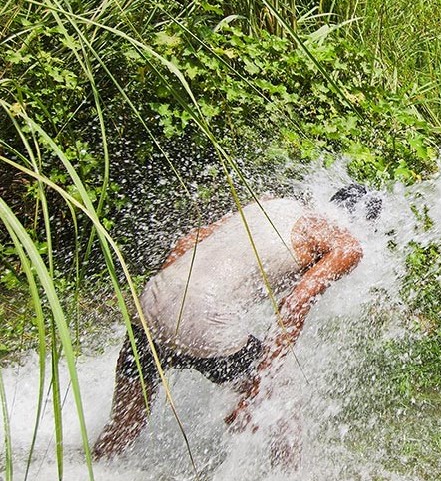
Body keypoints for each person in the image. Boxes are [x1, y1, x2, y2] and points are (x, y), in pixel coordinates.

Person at [93, 185, 381, 462]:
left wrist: (168, 309)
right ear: (365, 227)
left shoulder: (272, 204)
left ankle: (92, 470)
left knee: (123, 427)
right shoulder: (346, 245)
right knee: (283, 396)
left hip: (152, 303)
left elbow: (187, 241)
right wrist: (259, 389)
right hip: (205, 319)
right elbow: (293, 306)